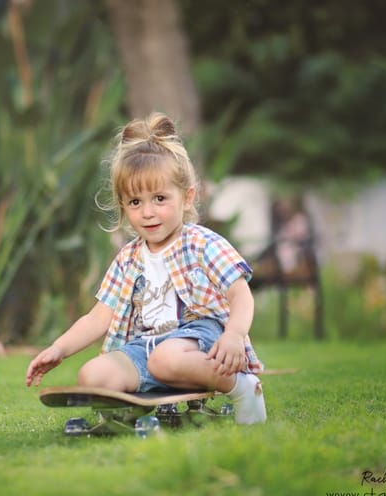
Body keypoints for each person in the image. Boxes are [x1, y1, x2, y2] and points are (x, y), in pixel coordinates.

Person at [24, 112, 266, 425]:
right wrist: (58, 349)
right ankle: (135, 405)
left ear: (187, 196)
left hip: (199, 339)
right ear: (123, 205)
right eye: (135, 202)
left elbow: (241, 295)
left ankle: (242, 387)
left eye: (160, 198)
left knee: (165, 359)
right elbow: (99, 317)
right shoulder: (128, 258)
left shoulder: (201, 243)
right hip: (146, 347)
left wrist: (234, 334)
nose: (148, 213)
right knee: (92, 374)